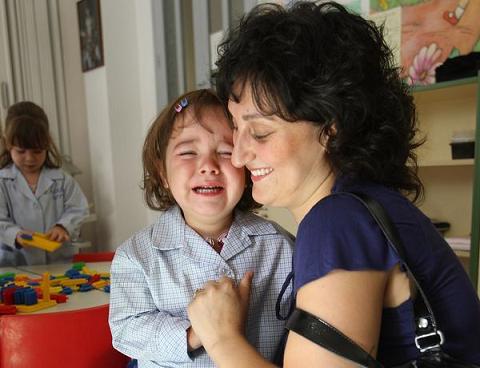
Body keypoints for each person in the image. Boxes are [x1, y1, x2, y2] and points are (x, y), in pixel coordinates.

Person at [186, 2, 480, 367]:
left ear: (331, 127)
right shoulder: (361, 205)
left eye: (260, 132)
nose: (239, 155)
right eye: (236, 127)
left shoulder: (337, 222)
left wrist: (220, 336)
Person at [108, 89, 294, 368]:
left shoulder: (282, 247)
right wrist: (198, 334)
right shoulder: (135, 256)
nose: (208, 166)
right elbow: (125, 330)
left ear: (245, 167)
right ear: (163, 173)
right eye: (188, 152)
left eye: (225, 151)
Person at [0, 102, 89, 266]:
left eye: (37, 151)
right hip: (15, 264)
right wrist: (15, 234)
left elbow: (79, 208)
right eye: (21, 151)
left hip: (57, 263)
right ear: (8, 145)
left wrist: (63, 227)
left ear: (47, 145)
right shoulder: (3, 182)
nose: (29, 158)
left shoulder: (62, 179)